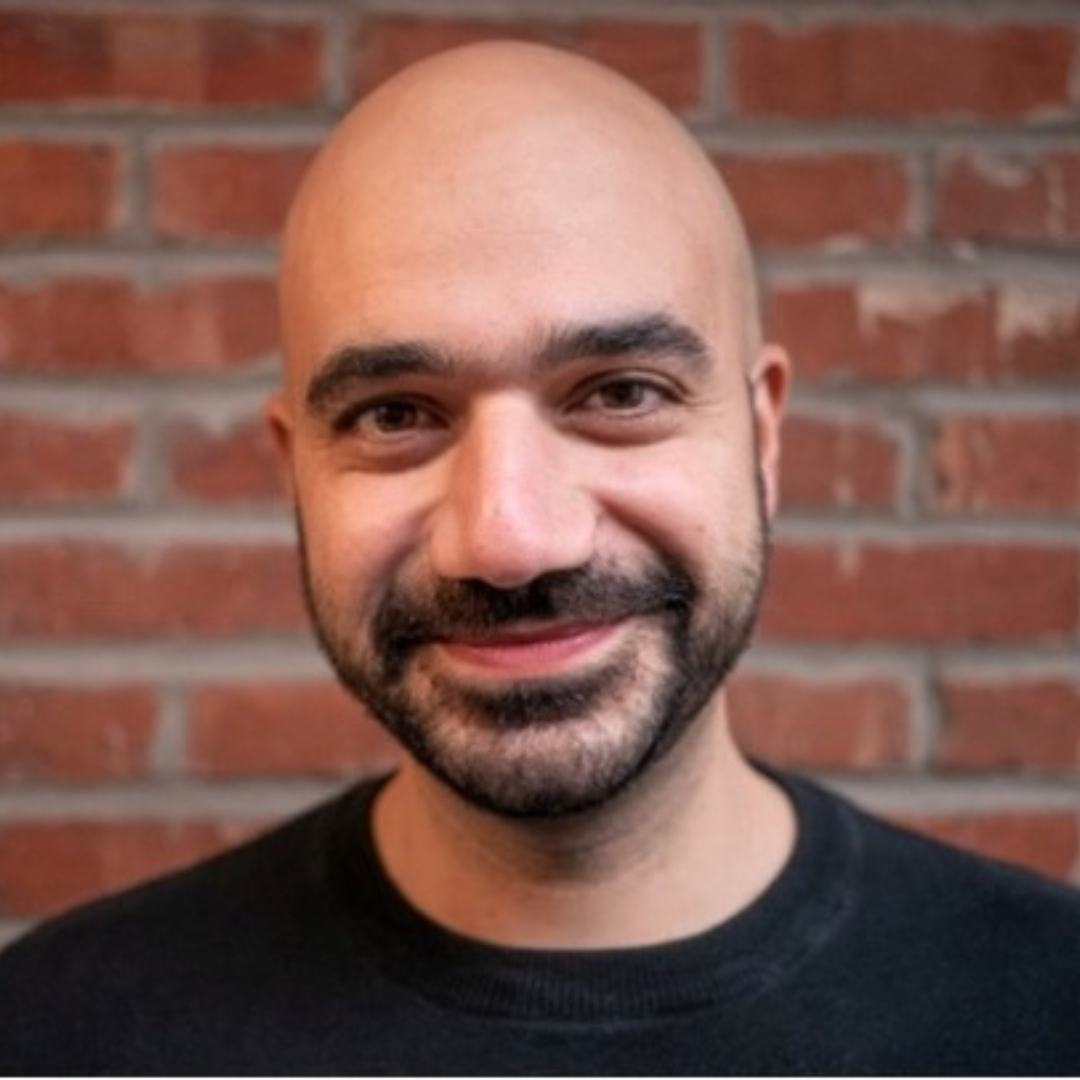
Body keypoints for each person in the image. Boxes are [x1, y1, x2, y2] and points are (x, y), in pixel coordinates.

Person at [0, 42, 1078, 1076]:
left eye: (619, 393)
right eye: (395, 415)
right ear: (297, 475)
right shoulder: (57, 1037)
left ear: (763, 437)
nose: (509, 542)